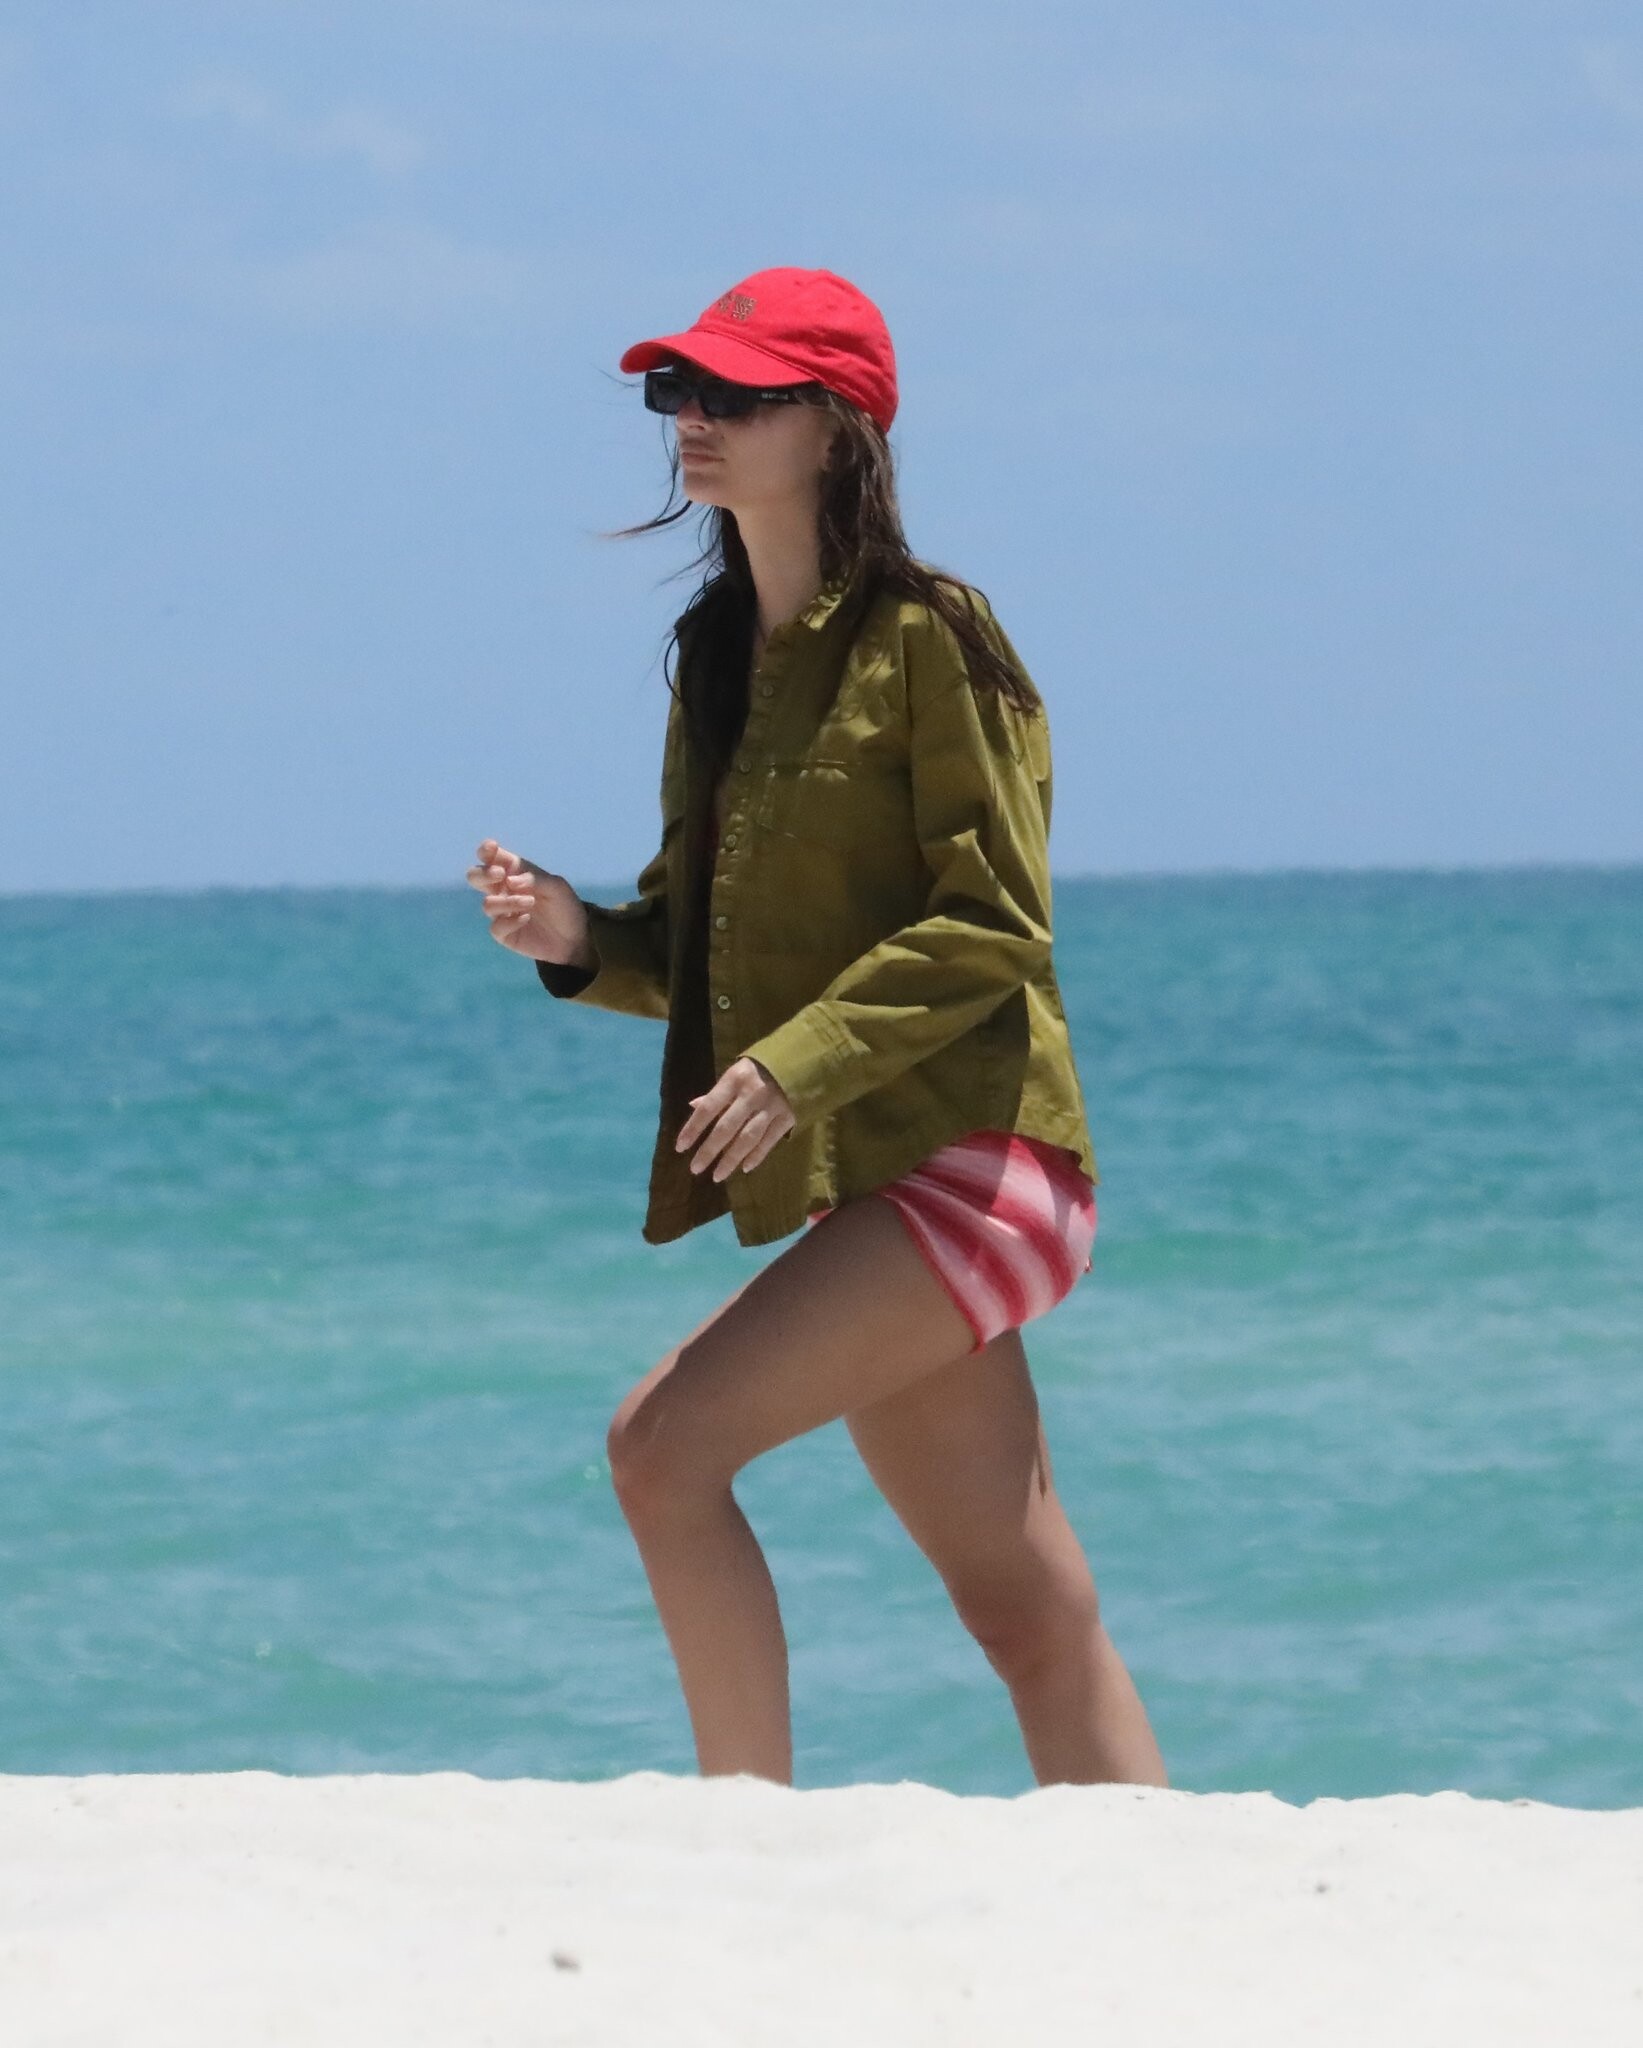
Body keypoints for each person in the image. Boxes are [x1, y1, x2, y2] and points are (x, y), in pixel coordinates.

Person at [467, 266, 1167, 1790]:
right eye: (677, 390)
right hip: (878, 1188)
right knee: (1026, 1609)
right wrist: (578, 941)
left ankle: (742, 1831)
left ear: (839, 426)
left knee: (662, 1450)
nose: (694, 418)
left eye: (738, 393)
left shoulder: (933, 637)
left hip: (987, 1161)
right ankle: (1172, 1895)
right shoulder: (717, 660)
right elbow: (706, 955)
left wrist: (798, 1066)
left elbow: (996, 921)